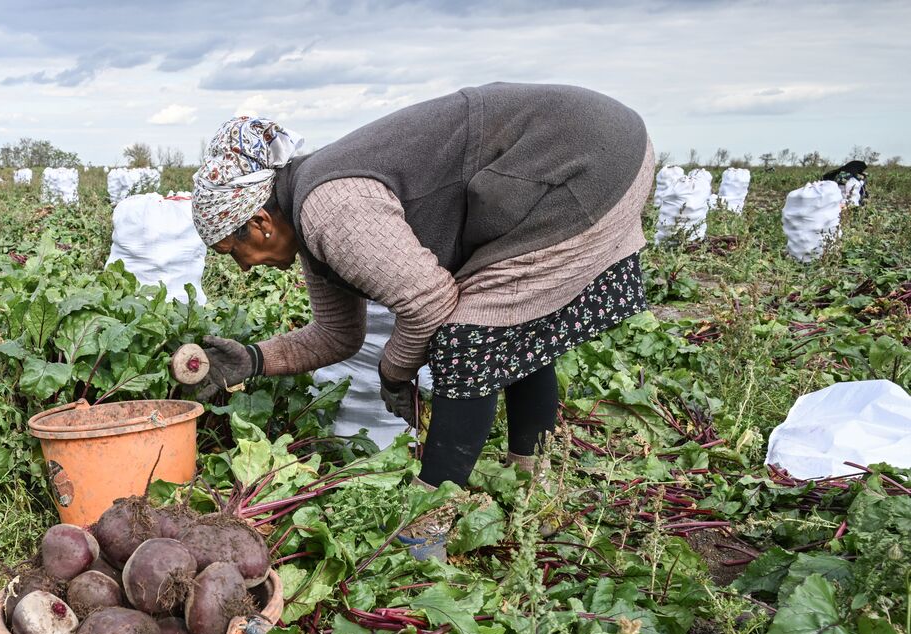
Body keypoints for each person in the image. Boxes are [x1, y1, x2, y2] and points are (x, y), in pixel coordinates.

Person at [182, 83, 654, 498]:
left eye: (230, 251)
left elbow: (429, 304)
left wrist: (393, 372)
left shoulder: (329, 209)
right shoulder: (308, 220)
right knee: (513, 323)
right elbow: (336, 335)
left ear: (261, 222)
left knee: (472, 337)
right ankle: (531, 485)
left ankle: (429, 518)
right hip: (581, 154)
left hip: (583, 161)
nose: (241, 269)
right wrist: (254, 359)